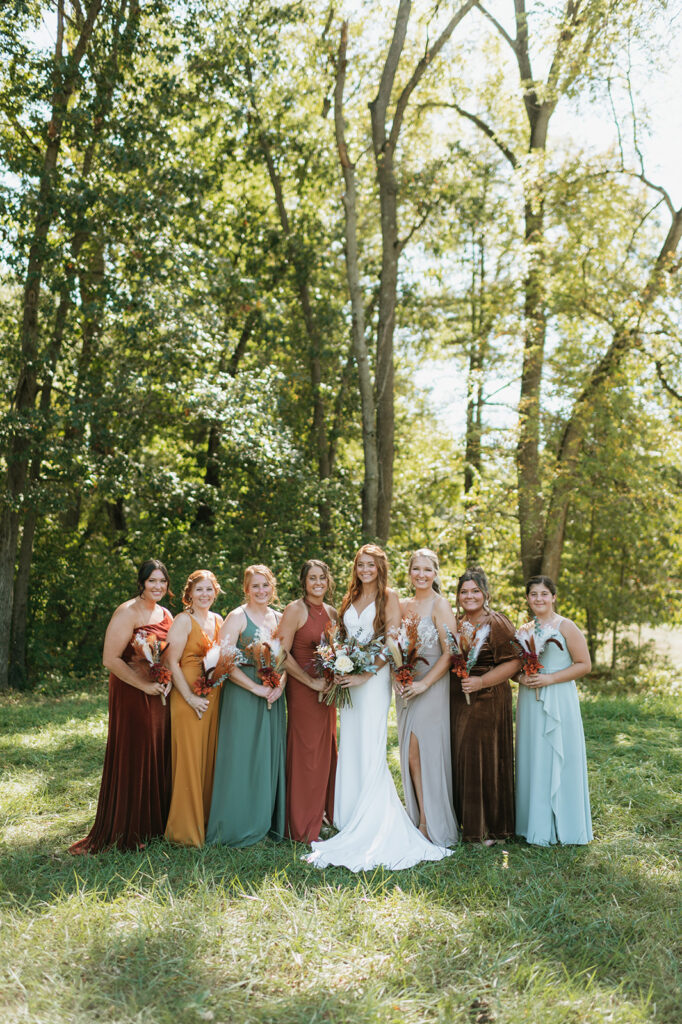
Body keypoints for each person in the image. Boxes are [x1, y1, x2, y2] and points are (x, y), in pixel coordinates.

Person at [306, 544, 452, 870]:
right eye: (361, 564)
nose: (365, 570)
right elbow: (342, 635)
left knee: (370, 745)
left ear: (380, 567)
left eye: (371, 565)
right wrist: (340, 664)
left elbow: (392, 642)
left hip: (372, 682)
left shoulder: (389, 597)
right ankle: (349, 815)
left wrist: (364, 675)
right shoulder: (350, 597)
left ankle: (373, 820)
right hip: (348, 677)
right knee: (351, 742)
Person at [69, 559, 173, 854]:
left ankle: (154, 825)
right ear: (141, 583)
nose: (158, 586)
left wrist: (167, 681)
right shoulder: (127, 612)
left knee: (157, 750)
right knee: (135, 752)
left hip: (159, 694)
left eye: (162, 582)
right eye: (152, 581)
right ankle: (128, 827)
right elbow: (110, 659)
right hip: (131, 691)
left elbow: (168, 655)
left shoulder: (166, 613)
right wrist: (143, 686)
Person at [206, 564, 286, 846]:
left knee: (267, 755)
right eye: (255, 586)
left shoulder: (280, 616)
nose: (261, 591)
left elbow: (286, 658)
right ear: (246, 589)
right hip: (243, 694)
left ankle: (265, 822)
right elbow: (222, 662)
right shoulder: (237, 617)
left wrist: (280, 685)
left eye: (265, 585)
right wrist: (255, 688)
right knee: (241, 756)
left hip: (273, 695)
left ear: (272, 587)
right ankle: (237, 824)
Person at [515, 575, 593, 845]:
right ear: (527, 598)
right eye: (533, 594)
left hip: (559, 696)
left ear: (553, 597)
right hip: (530, 699)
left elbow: (584, 664)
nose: (539, 598)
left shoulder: (566, 626)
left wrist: (549, 678)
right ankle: (535, 826)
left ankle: (566, 826)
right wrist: (521, 678)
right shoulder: (523, 630)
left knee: (560, 754)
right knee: (534, 756)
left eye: (544, 594)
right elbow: (516, 669)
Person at [450, 567, 521, 844]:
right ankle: (464, 822)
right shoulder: (454, 623)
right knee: (461, 758)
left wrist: (481, 682)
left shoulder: (497, 623)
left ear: (486, 594)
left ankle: (490, 828)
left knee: (484, 760)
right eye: (464, 591)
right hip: (458, 700)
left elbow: (515, 661)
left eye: (475, 591)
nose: (469, 596)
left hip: (488, 699)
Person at [395, 549, 459, 846]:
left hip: (432, 686)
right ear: (409, 573)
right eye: (416, 569)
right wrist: (399, 674)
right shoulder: (402, 604)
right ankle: (418, 816)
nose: (421, 575)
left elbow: (450, 653)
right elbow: (393, 646)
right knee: (410, 755)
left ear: (436, 573)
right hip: (407, 686)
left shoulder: (440, 605)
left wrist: (424, 685)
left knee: (422, 753)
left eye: (427, 570)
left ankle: (429, 824)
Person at [278, 559, 338, 843]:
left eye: (322, 578)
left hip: (327, 691)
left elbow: (337, 652)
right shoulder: (295, 610)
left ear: (329, 581)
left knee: (326, 751)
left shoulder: (332, 612)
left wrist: (333, 678)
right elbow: (281, 653)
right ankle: (301, 826)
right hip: (304, 689)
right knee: (306, 754)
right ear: (303, 582)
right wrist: (311, 681)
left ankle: (321, 816)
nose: (318, 583)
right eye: (312, 578)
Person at [164, 570, 223, 847]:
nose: (205, 595)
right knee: (189, 760)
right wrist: (189, 698)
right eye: (199, 590)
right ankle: (184, 831)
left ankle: (207, 822)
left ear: (216, 592)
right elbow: (171, 662)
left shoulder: (219, 620)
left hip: (212, 698)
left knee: (208, 759)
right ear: (190, 593)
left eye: (209, 589)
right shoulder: (182, 621)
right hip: (187, 700)